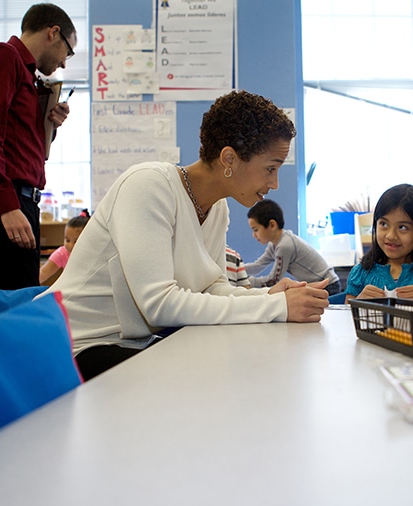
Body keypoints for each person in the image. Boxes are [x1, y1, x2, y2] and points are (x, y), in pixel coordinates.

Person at [41, 90, 330, 379]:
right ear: (229, 157)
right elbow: (159, 304)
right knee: (205, 379)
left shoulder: (217, 210)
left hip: (131, 343)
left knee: (225, 366)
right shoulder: (149, 186)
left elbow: (213, 287)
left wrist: (267, 294)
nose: (275, 183)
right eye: (270, 168)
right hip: (74, 346)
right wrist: (274, 306)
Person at [0, 3, 77, 291]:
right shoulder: (3, 58)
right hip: (1, 201)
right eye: (68, 51)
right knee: (12, 309)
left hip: (16, 200)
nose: (64, 62)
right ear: (53, 33)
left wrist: (49, 126)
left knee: (21, 301)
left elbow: (18, 149)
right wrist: (5, 206)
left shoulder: (27, 76)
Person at [245, 199, 341, 296]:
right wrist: (237, 270)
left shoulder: (285, 246)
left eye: (255, 230)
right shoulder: (274, 244)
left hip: (327, 285)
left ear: (272, 225)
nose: (254, 235)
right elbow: (258, 265)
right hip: (318, 283)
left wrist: (248, 282)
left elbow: (273, 280)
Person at [39, 212, 90, 286]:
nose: (70, 245)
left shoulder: (94, 252)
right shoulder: (62, 253)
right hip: (71, 290)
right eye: (67, 240)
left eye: (76, 241)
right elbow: (43, 273)